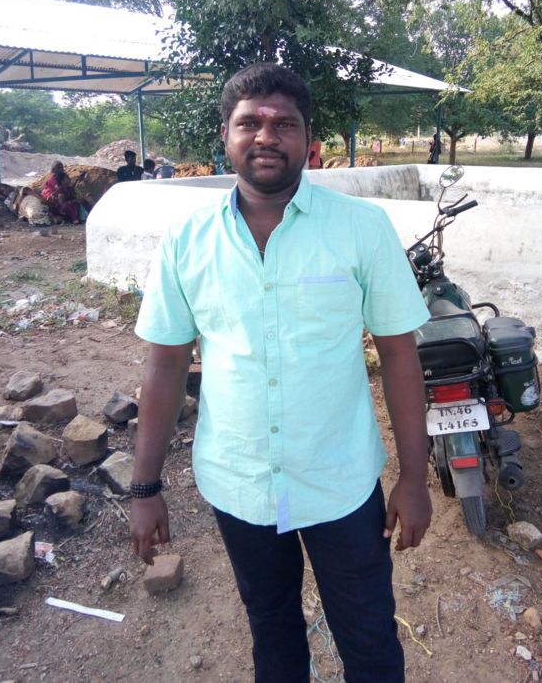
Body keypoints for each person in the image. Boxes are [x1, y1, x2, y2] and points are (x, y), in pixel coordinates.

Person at [130, 63, 432, 683]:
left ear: (308, 140)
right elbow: (165, 365)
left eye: (284, 124)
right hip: (238, 482)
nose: (266, 136)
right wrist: (144, 487)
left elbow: (400, 355)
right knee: (271, 629)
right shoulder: (188, 239)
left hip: (340, 481)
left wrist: (414, 477)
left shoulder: (361, 228)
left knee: (370, 638)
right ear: (226, 135)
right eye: (250, 123)